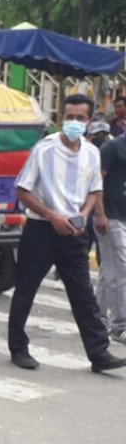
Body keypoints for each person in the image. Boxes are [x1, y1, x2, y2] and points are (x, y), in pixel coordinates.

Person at [9, 94, 126, 372]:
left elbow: (95, 188)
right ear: (61, 118)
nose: (74, 123)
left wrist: (86, 214)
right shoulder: (44, 149)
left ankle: (99, 354)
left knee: (83, 295)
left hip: (74, 232)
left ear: (88, 121)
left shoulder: (91, 152)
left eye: (80, 118)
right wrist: (52, 216)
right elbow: (23, 190)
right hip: (41, 229)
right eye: (69, 117)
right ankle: (18, 347)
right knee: (26, 289)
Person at [97, 120, 126, 343]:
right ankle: (120, 325)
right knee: (119, 270)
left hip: (122, 217)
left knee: (109, 270)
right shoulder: (112, 148)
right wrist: (100, 214)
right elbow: (97, 182)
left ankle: (98, 319)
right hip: (111, 217)